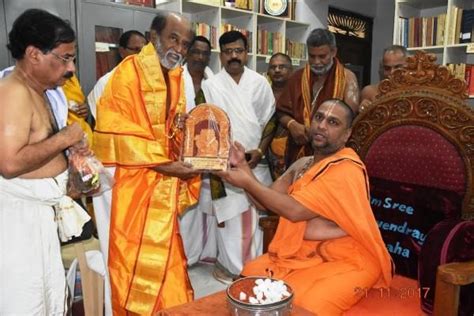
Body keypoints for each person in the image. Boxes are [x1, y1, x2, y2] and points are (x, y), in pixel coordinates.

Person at [217, 99, 392, 314]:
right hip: (302, 253)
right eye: (319, 117)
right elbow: (265, 202)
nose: (321, 125)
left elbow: (294, 211)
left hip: (350, 257)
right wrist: (243, 168)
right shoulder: (303, 164)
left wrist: (247, 181)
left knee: (305, 304)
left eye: (333, 122)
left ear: (347, 134)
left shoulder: (346, 170)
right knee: (250, 273)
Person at [93, 12, 200, 315]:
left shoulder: (177, 77)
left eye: (185, 44)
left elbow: (173, 132)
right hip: (130, 185)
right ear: (154, 36)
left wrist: (192, 145)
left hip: (160, 185)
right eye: (173, 39)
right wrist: (167, 165)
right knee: (133, 260)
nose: (179, 49)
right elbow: (117, 136)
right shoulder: (127, 75)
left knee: (167, 260)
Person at [0, 9, 89, 315]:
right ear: (34, 54)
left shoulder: (45, 92)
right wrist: (64, 139)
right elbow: (9, 163)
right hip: (17, 225)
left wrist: (73, 155)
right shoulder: (13, 94)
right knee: (24, 303)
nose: (71, 68)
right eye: (64, 58)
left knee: (49, 300)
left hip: (39, 219)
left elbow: (43, 148)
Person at [201, 30, 275, 282]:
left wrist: (260, 151)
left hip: (256, 162)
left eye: (239, 51)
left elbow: (270, 121)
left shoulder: (259, 83)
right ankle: (234, 268)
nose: (234, 56)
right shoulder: (210, 86)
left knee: (255, 219)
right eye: (228, 52)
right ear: (220, 55)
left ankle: (253, 268)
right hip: (224, 164)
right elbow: (205, 126)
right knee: (231, 219)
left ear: (246, 52)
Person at [277, 28, 360, 169]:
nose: (316, 62)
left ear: (333, 52)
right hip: (298, 151)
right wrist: (292, 124)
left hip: (330, 154)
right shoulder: (296, 77)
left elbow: (349, 120)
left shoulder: (347, 78)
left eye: (322, 56)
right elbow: (281, 112)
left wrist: (320, 132)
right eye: (312, 56)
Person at [179, 35, 218, 267]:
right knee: (186, 205)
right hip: (180, 151)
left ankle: (204, 252)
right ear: (188, 52)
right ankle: (185, 256)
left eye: (205, 53)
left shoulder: (213, 82)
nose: (200, 57)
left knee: (207, 202)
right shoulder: (174, 79)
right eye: (195, 51)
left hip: (209, 149)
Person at [87, 30, 146, 118]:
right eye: (136, 50)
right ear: (122, 51)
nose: (141, 55)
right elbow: (100, 121)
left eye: (144, 51)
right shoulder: (106, 82)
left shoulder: (152, 82)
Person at [266, 53, 293, 179]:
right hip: (265, 154)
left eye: (282, 67)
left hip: (292, 151)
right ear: (268, 72)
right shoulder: (262, 93)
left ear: (291, 71)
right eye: (273, 67)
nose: (277, 70)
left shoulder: (299, 95)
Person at [360, 45, 408, 110]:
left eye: (397, 67)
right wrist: (363, 110)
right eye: (387, 68)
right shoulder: (369, 92)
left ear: (408, 67)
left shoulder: (417, 91)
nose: (392, 72)